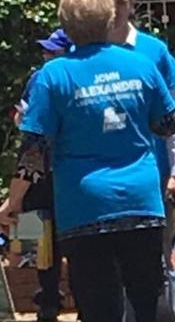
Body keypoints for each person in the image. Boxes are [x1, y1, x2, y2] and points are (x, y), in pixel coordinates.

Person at [0, 0, 175, 322]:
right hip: (141, 200)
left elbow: (34, 149)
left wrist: (14, 200)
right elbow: (169, 123)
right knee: (148, 299)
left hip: (84, 208)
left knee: (99, 308)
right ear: (111, 17)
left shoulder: (54, 75)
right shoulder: (141, 65)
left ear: (65, 22)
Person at [101, 0, 175, 320]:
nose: (115, 11)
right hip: (108, 177)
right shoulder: (89, 51)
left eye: (121, 3)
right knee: (112, 268)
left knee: (158, 260)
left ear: (132, 4)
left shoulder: (153, 51)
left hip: (154, 174)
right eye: (108, 3)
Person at [11, 29, 72, 322]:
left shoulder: (66, 78)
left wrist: (14, 198)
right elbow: (21, 116)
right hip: (40, 176)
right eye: (46, 51)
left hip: (61, 172)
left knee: (71, 240)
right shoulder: (38, 78)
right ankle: (47, 301)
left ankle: (74, 300)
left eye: (53, 51)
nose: (46, 56)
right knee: (37, 241)